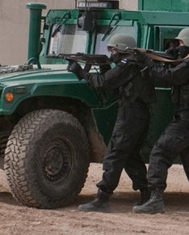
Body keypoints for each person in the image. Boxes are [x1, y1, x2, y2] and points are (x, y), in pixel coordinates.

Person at [133, 28, 189, 215]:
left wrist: (148, 62)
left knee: (159, 153)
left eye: (180, 43)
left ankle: (156, 199)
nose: (179, 46)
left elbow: (169, 77)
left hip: (187, 120)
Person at [67, 33, 156, 212]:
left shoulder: (128, 64)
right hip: (138, 115)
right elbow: (114, 84)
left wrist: (81, 72)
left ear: (123, 50)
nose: (112, 53)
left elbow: (104, 83)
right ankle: (147, 194)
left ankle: (102, 198)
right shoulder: (134, 64)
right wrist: (104, 66)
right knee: (130, 156)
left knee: (114, 155)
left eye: (114, 50)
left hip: (130, 116)